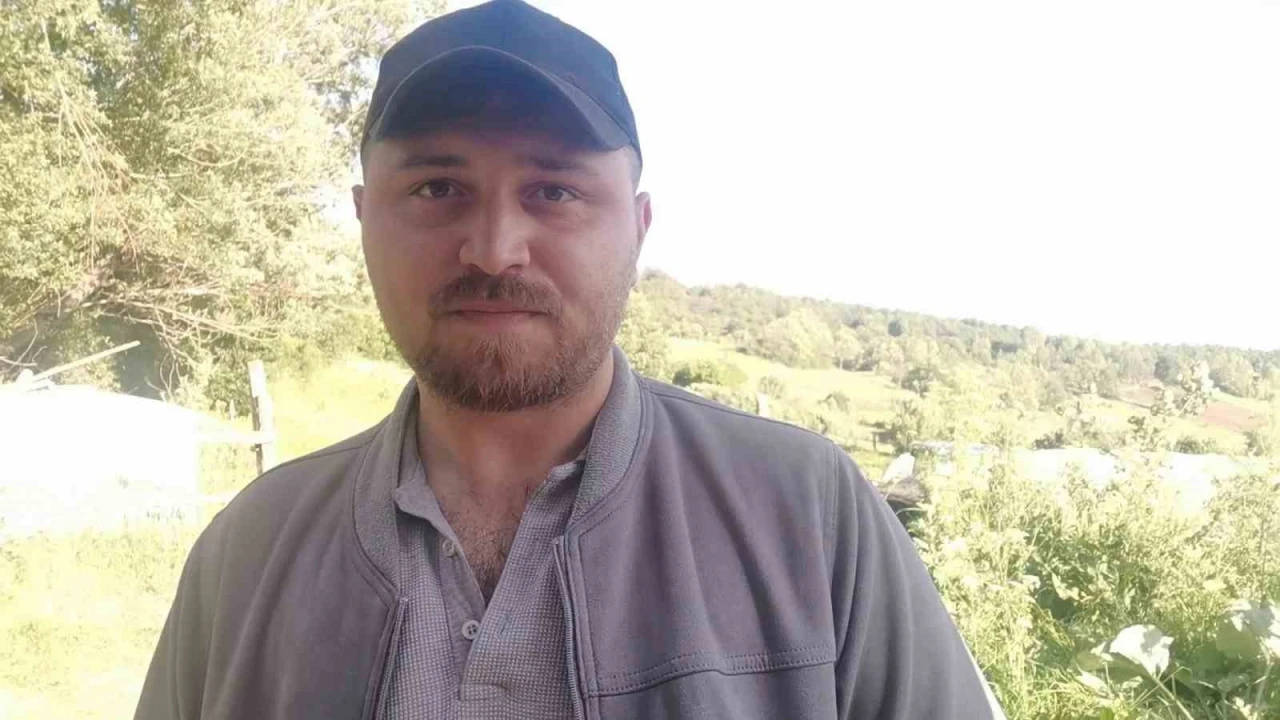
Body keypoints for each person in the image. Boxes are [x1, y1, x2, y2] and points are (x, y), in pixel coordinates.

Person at [134, 1, 1001, 718]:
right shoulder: (247, 553)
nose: (493, 248)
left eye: (554, 190)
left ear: (638, 227)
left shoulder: (811, 515)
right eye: (437, 188)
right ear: (365, 219)